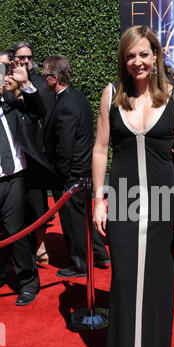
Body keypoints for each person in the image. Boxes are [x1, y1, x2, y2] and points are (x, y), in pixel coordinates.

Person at [92, 25, 174, 347]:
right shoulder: (110, 95)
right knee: (123, 284)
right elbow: (101, 148)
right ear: (124, 58)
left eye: (144, 54)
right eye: (131, 55)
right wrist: (99, 199)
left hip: (165, 200)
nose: (138, 61)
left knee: (159, 288)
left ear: (156, 56)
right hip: (122, 200)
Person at [42, 54, 109, 277]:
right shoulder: (78, 96)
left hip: (72, 175)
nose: (44, 81)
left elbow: (65, 148)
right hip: (81, 172)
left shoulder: (67, 104)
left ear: (54, 77)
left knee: (73, 223)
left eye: (45, 76)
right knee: (82, 218)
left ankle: (80, 264)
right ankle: (99, 253)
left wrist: (59, 175)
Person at [0, 61, 48, 305]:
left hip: (13, 180)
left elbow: (38, 110)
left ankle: (28, 282)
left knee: (16, 232)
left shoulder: (11, 104)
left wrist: (26, 83)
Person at [7, 41, 57, 263]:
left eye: (28, 57)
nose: (25, 61)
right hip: (12, 158)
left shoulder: (39, 83)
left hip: (35, 154)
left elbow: (42, 113)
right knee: (16, 210)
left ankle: (40, 247)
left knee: (38, 207)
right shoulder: (5, 84)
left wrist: (24, 86)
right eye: (21, 57)